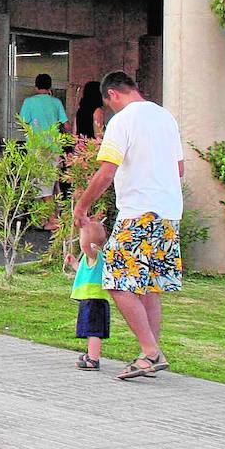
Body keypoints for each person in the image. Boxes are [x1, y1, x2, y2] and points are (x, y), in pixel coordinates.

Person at [73, 71, 184, 381]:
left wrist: (82, 206)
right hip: (169, 212)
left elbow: (107, 171)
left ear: (112, 96)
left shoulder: (122, 122)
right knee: (148, 286)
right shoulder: (165, 118)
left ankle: (150, 352)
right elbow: (179, 168)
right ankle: (150, 355)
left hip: (137, 212)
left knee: (116, 282)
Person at [20, 73, 71, 228]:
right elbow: (67, 125)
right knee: (52, 184)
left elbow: (22, 122)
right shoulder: (56, 102)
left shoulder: (29, 102)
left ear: (36, 87)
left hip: (36, 148)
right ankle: (48, 219)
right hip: (54, 147)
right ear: (50, 87)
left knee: (41, 186)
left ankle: (52, 221)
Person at [66, 231, 111, 371]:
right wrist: (74, 263)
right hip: (92, 299)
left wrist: (83, 227)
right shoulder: (91, 259)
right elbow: (82, 272)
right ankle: (91, 354)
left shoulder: (95, 255)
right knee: (90, 330)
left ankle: (93, 359)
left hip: (94, 299)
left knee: (93, 331)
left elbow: (85, 245)